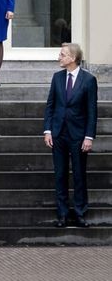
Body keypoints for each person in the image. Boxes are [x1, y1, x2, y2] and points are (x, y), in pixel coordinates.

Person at [44, 43, 98, 228]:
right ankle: (62, 214)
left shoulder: (89, 80)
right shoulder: (57, 78)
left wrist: (89, 136)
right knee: (60, 174)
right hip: (58, 133)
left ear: (73, 58)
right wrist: (48, 131)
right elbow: (50, 105)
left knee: (79, 174)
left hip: (78, 135)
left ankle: (80, 213)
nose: (59, 57)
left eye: (63, 54)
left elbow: (92, 111)